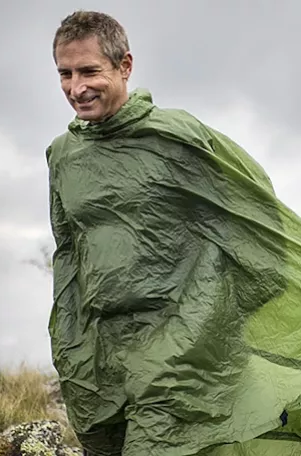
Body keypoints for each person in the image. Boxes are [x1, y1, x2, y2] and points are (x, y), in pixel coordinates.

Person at [47, 10, 301, 456]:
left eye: (89, 71)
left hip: (180, 341)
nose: (76, 87)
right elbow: (69, 252)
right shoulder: (64, 156)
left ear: (124, 66)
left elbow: (255, 219)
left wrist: (208, 316)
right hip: (104, 345)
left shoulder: (175, 138)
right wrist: (71, 339)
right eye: (64, 74)